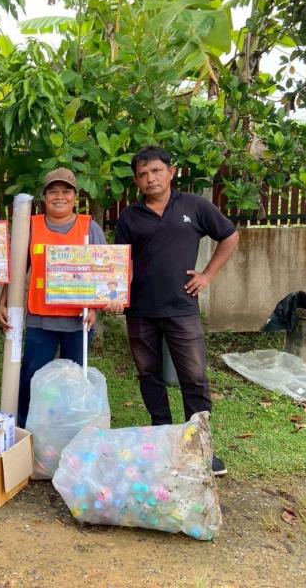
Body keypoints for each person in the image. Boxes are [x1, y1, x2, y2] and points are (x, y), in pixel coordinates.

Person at [114, 146, 238, 476]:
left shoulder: (194, 206)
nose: (150, 178)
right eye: (142, 174)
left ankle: (200, 446)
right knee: (148, 374)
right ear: (136, 181)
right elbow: (121, 262)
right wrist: (115, 294)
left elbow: (229, 237)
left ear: (171, 172)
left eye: (156, 170)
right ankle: (162, 437)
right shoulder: (129, 217)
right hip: (140, 310)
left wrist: (207, 275)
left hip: (182, 308)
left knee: (194, 377)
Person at [0, 168, 122, 428]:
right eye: (53, 191)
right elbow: (18, 268)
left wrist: (95, 307)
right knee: (32, 377)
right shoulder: (30, 226)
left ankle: (68, 429)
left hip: (78, 320)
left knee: (74, 381)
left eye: (66, 191)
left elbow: (103, 271)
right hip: (40, 319)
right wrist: (3, 302)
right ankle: (25, 427)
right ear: (44, 197)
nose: (59, 197)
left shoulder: (90, 227)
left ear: (75, 197)